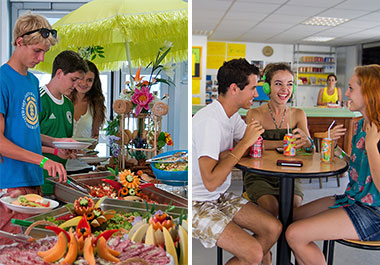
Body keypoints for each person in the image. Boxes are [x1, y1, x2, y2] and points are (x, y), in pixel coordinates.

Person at [286, 65, 380, 265]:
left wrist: (372, 145)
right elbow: (359, 169)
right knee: (290, 217)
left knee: (295, 234)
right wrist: (336, 150)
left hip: (374, 212)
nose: (345, 93)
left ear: (370, 92)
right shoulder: (360, 124)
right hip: (353, 198)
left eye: (351, 88)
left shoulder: (376, 131)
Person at [192, 58, 282, 265]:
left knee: (273, 228)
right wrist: (242, 146)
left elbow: (255, 143)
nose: (256, 94)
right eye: (252, 88)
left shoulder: (230, 116)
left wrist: (286, 144)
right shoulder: (210, 121)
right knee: (254, 253)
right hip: (197, 202)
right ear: (234, 88)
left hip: (218, 196)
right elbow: (211, 181)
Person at [0, 12, 68, 244]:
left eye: (44, 52)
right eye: (36, 51)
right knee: (10, 250)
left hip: (33, 180)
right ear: (20, 42)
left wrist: (56, 145)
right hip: (10, 184)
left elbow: (26, 132)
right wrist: (42, 160)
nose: (40, 58)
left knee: (31, 249)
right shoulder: (2, 79)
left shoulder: (32, 82)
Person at [243, 63, 313, 264]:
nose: (285, 90)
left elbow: (308, 149)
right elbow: (253, 146)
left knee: (291, 213)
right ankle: (265, 256)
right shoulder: (254, 114)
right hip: (260, 174)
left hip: (291, 173)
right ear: (267, 87)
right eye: (278, 84)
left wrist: (307, 143)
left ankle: (286, 258)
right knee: (272, 210)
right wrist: (286, 142)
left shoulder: (299, 114)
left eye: (290, 84)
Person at [66, 60, 106, 174]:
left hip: (82, 167)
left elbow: (94, 138)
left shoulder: (96, 105)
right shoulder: (62, 100)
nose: (84, 83)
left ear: (94, 82)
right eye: (81, 78)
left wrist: (90, 154)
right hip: (58, 164)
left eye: (89, 80)